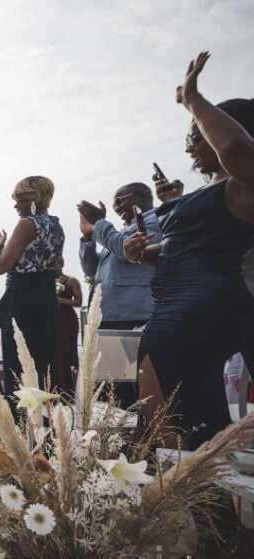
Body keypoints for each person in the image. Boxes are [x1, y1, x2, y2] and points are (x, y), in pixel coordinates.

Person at [125, 52, 254, 448]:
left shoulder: (242, 186)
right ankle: (203, 500)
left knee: (172, 426)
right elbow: (185, 244)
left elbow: (234, 146)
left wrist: (193, 100)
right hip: (176, 305)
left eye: (197, 135)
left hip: (200, 307)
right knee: (189, 419)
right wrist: (142, 251)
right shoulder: (210, 191)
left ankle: (195, 496)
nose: (190, 146)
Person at [0, 176, 65, 407]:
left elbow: (1, 266)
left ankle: (21, 431)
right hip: (46, 301)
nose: (15, 205)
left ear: (34, 198)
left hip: (23, 303)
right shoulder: (56, 226)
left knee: (18, 371)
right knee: (42, 368)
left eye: (20, 199)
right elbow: (55, 270)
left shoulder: (27, 224)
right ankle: (44, 431)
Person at [78, 182, 160, 406]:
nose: (116, 206)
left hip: (132, 315)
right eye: (114, 202)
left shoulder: (155, 221)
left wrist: (100, 225)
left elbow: (127, 252)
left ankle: (144, 435)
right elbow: (91, 270)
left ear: (144, 197)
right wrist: (87, 239)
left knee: (137, 387)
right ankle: (124, 435)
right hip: (111, 315)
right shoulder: (117, 233)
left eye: (121, 199)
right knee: (114, 388)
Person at [54, 258, 82, 396]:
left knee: (69, 353)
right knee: (55, 354)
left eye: (55, 263)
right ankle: (57, 389)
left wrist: (60, 300)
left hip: (68, 321)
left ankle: (71, 390)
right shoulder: (46, 282)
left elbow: (79, 301)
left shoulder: (71, 281)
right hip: (52, 321)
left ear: (61, 264)